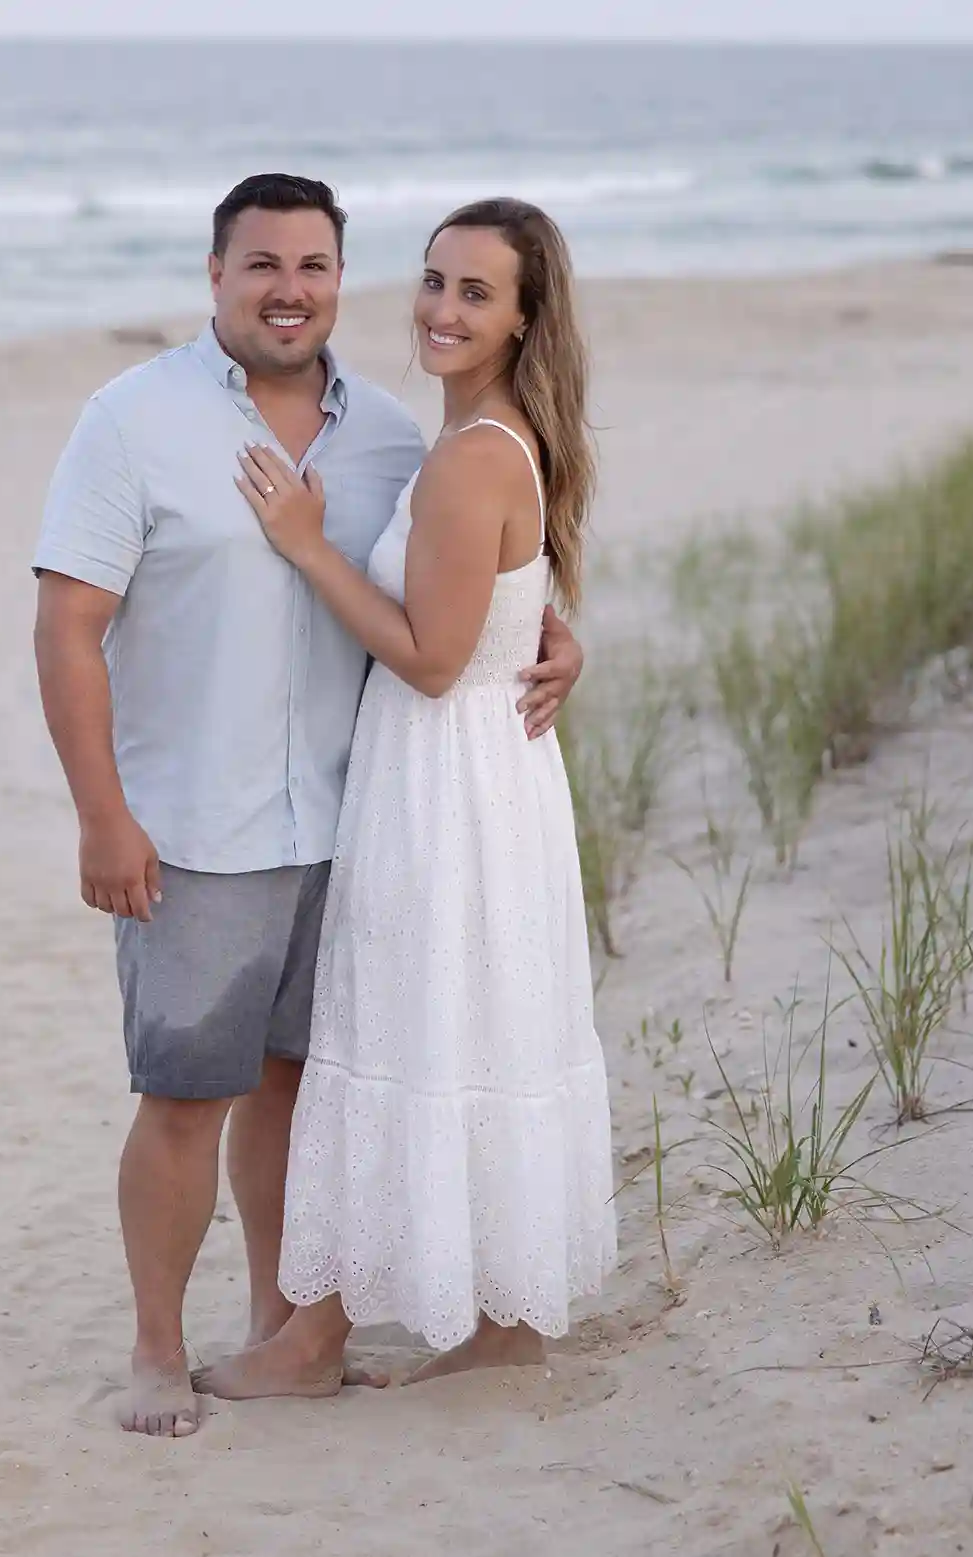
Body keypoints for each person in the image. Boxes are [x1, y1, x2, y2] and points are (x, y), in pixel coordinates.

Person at [31, 175, 587, 1437]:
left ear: (341, 280)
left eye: (315, 266)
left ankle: (283, 1337)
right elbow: (67, 629)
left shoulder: (399, 434)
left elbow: (470, 583)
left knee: (301, 1090)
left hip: (359, 827)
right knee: (184, 1096)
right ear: (215, 274)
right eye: (263, 263)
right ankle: (158, 1354)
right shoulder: (129, 422)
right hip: (198, 834)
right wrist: (101, 816)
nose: (290, 288)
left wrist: (551, 641)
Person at [194, 198, 615, 1400]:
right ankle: (499, 1325)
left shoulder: (472, 455)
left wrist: (306, 542)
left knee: (398, 1022)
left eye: (476, 293)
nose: (441, 309)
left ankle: (317, 1338)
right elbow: (495, 615)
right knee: (464, 1027)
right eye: (433, 281)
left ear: (526, 318)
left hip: (443, 778)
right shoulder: (503, 438)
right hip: (489, 774)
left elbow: (431, 656)